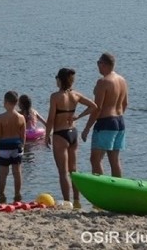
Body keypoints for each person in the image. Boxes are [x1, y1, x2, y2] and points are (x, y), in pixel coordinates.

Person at [45, 68, 98, 207]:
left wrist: (46, 135)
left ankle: (67, 202)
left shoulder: (55, 97)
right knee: (73, 171)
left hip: (60, 134)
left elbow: (51, 119)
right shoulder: (76, 95)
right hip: (73, 133)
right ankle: (77, 201)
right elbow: (94, 106)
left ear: (59, 80)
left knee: (63, 172)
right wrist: (78, 116)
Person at [81, 52, 128, 177]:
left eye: (99, 63)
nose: (98, 66)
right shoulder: (122, 80)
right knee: (115, 160)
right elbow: (125, 104)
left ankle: (101, 190)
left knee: (95, 160)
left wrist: (86, 128)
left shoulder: (103, 82)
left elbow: (97, 108)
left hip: (105, 123)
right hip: (120, 122)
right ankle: (118, 190)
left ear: (104, 64)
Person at [0, 91, 25, 204]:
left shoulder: (0, 118)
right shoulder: (21, 117)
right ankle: (17, 194)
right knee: (17, 171)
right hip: (17, 145)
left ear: (6, 102)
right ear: (16, 103)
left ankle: (1, 195)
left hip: (4, 146)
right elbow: (23, 136)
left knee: (3, 173)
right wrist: (22, 147)